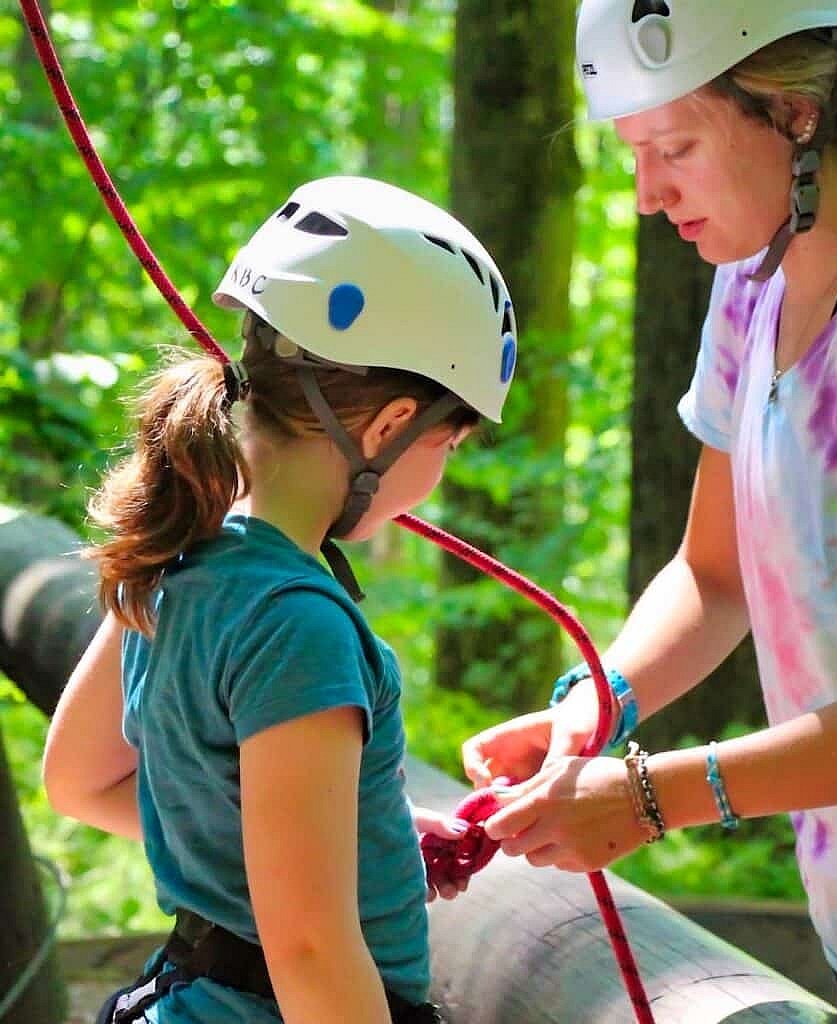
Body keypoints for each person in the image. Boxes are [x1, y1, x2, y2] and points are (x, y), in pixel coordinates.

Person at [463, 2, 837, 1019]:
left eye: (672, 146)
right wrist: (597, 705)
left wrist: (647, 796)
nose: (645, 195)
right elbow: (712, 574)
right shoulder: (750, 281)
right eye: (634, 153)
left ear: (793, 116)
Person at [43, 176, 519, 1024]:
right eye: (444, 441)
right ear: (389, 426)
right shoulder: (300, 623)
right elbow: (308, 949)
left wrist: (361, 831)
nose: (438, 473)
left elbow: (80, 781)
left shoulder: (182, 554)